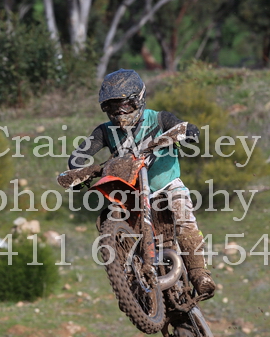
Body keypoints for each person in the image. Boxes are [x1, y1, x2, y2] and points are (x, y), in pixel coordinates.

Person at [68, 68, 216, 300]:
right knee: (110, 218)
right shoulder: (104, 131)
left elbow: (184, 127)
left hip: (167, 185)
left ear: (138, 100)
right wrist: (79, 171)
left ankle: (199, 274)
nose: (119, 113)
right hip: (131, 192)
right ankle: (127, 284)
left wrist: (188, 132)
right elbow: (80, 154)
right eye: (112, 108)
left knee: (183, 214)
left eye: (124, 106)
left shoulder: (159, 119)